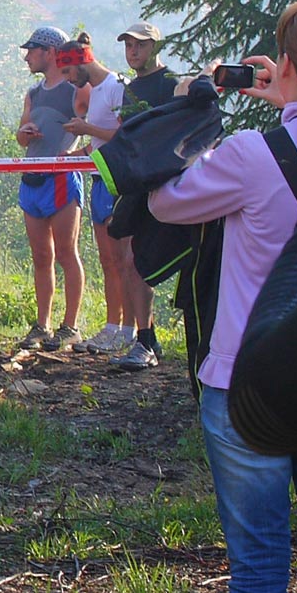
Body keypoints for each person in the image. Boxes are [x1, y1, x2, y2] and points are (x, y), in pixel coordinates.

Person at [148, 0, 297, 593]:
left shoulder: (254, 153)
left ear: (284, 65)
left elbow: (164, 201)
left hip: (246, 384)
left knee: (258, 570)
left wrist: (208, 106)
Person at [111, 21, 179, 369]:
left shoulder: (173, 83)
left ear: (154, 46)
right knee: (131, 262)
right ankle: (146, 340)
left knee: (178, 263)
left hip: (172, 187)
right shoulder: (131, 89)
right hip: (138, 185)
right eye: (128, 46)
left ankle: (155, 341)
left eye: (139, 45)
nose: (133, 51)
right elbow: (127, 134)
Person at [14, 25, 85, 351]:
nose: (28, 56)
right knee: (41, 255)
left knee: (67, 253)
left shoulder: (74, 90)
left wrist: (76, 152)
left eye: (33, 50)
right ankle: (42, 325)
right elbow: (20, 136)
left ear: (50, 52)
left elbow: (91, 126)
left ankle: (69, 326)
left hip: (61, 179)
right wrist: (25, 132)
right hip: (32, 177)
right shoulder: (33, 93)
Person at [63, 33, 132, 355]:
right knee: (107, 259)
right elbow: (100, 143)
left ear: (80, 62)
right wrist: (74, 156)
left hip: (118, 182)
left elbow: (125, 135)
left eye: (68, 72)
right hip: (98, 177)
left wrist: (87, 129)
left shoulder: (117, 86)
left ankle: (130, 328)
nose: (68, 80)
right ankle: (111, 325)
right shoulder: (96, 91)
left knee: (123, 259)